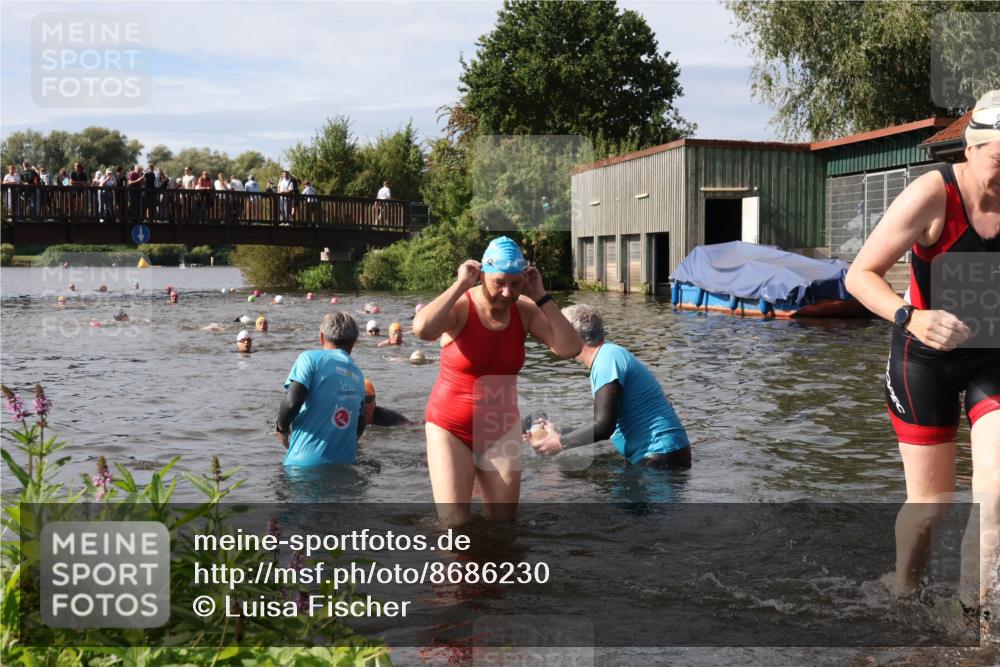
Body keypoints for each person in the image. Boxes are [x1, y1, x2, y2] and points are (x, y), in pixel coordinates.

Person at [845, 90, 1000, 619]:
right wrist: (912, 316)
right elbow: (859, 275)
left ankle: (973, 619)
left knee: (996, 489)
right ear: (970, 150)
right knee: (932, 507)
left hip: (991, 358)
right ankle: (903, 588)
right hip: (923, 359)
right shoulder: (933, 194)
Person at [413, 236, 581, 524]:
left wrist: (541, 296)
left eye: (515, 284)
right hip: (450, 427)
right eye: (500, 283)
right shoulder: (462, 306)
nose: (507, 292)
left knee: (503, 525)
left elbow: (569, 347)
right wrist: (460, 285)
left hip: (500, 428)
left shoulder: (525, 310)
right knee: (455, 523)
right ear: (482, 275)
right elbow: (423, 330)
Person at [528, 304, 692, 469]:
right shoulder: (609, 355)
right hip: (665, 455)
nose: (554, 338)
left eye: (559, 331)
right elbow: (610, 424)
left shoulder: (606, 360)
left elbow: (604, 426)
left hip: (660, 457)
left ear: (572, 334)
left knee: (567, 477)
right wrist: (560, 431)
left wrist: (559, 443)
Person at [275, 312, 367, 466]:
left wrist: (281, 428)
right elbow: (360, 423)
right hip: (345, 465)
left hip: (303, 466)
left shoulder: (309, 359)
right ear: (353, 342)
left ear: (321, 336)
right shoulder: (357, 374)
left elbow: (292, 402)